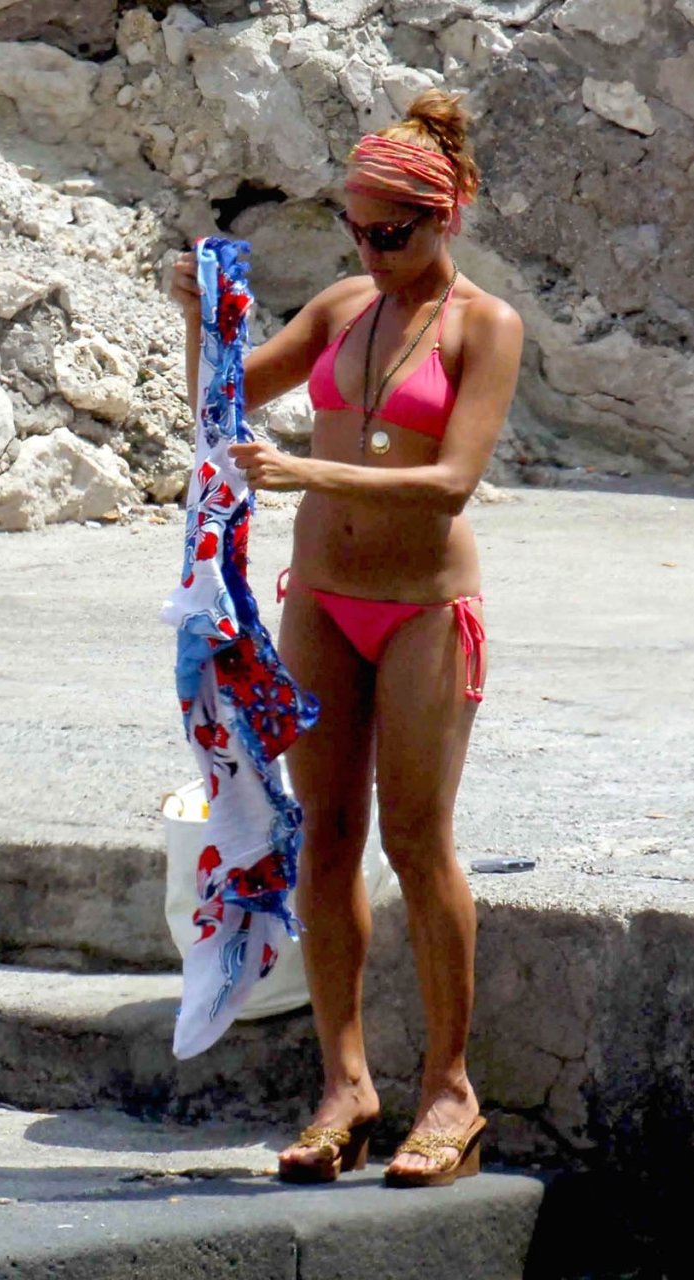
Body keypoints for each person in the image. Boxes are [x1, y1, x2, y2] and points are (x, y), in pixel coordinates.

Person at [169, 88, 524, 1189]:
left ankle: (450, 1091)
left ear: (443, 217)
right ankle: (345, 1084)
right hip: (320, 599)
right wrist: (201, 318)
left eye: (391, 233)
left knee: (418, 842)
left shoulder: (484, 325)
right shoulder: (339, 309)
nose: (370, 252)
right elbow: (224, 401)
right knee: (324, 837)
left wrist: (305, 470)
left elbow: (451, 482)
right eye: (355, 230)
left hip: (421, 609)